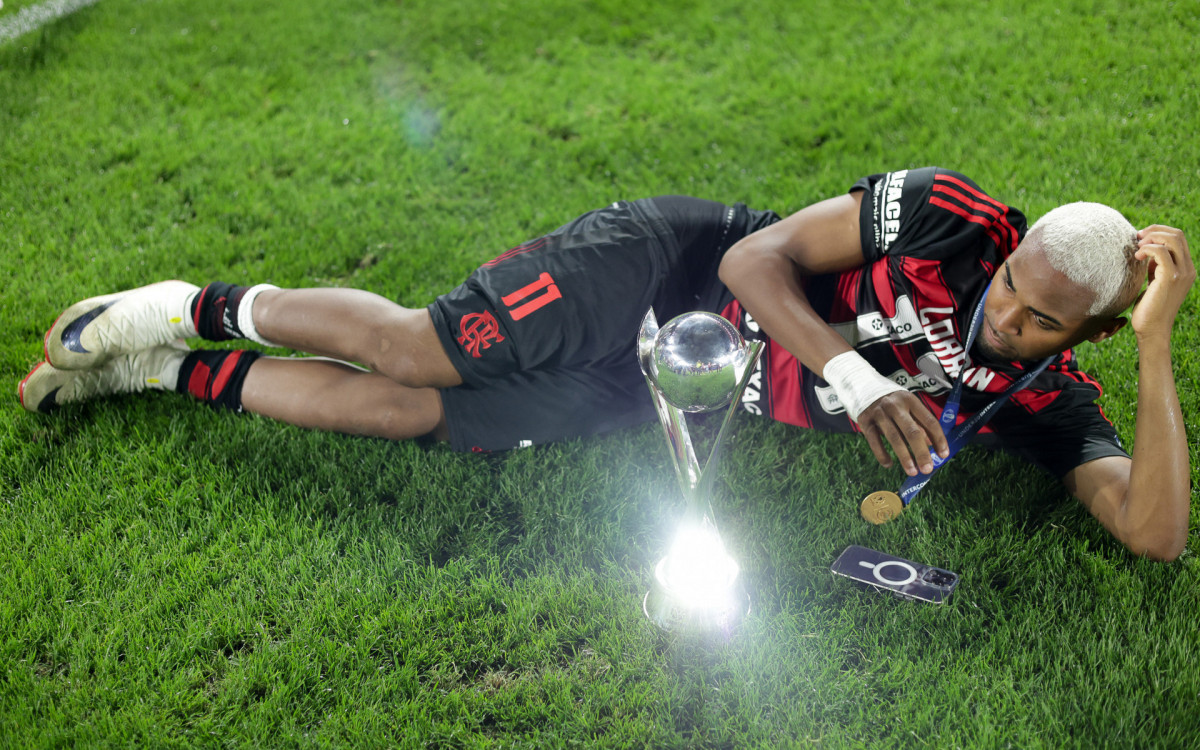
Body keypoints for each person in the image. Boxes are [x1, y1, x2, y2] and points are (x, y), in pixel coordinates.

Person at [19, 167, 1194, 560]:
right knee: (422, 347)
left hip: (671, 392)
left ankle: (155, 374)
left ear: (1089, 333)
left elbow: (1152, 533)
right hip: (662, 270)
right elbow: (750, 259)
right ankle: (181, 309)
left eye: (1047, 324)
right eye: (1013, 295)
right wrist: (855, 373)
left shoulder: (1050, 390)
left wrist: (1155, 354)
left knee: (411, 418)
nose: (1008, 322)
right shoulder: (951, 218)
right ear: (1012, 251)